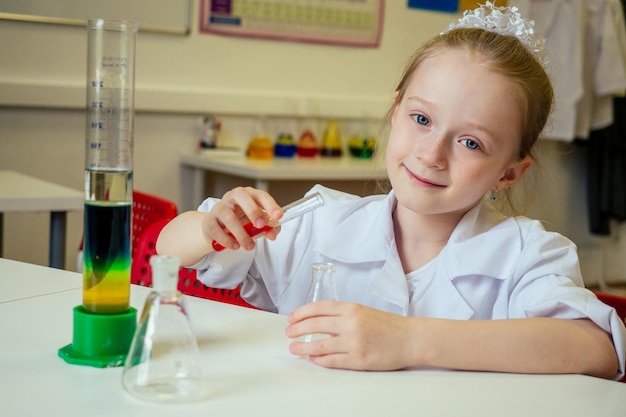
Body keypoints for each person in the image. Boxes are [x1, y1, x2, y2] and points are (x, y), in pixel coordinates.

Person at [157, 2, 626, 379]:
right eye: (421, 119)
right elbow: (170, 248)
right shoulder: (319, 219)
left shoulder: (527, 253)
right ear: (396, 108)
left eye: (471, 142)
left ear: (509, 173)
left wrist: (408, 339)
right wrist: (211, 225)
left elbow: (596, 347)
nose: (431, 154)